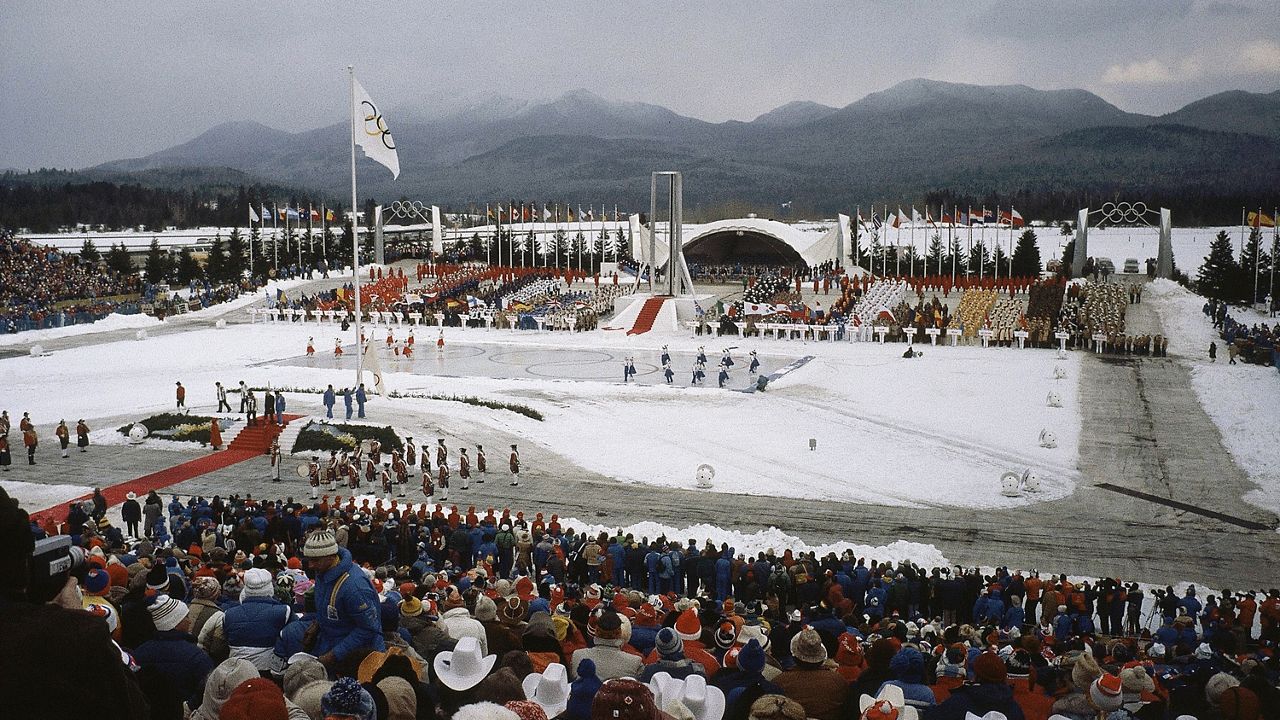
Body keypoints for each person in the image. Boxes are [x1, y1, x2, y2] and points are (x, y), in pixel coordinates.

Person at [301, 529, 385, 670]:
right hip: (331, 642)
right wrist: (317, 625)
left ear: (331, 556)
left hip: (359, 657)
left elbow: (369, 629)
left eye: (315, 560)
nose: (310, 565)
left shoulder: (354, 587)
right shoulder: (323, 572)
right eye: (308, 560)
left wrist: (334, 655)